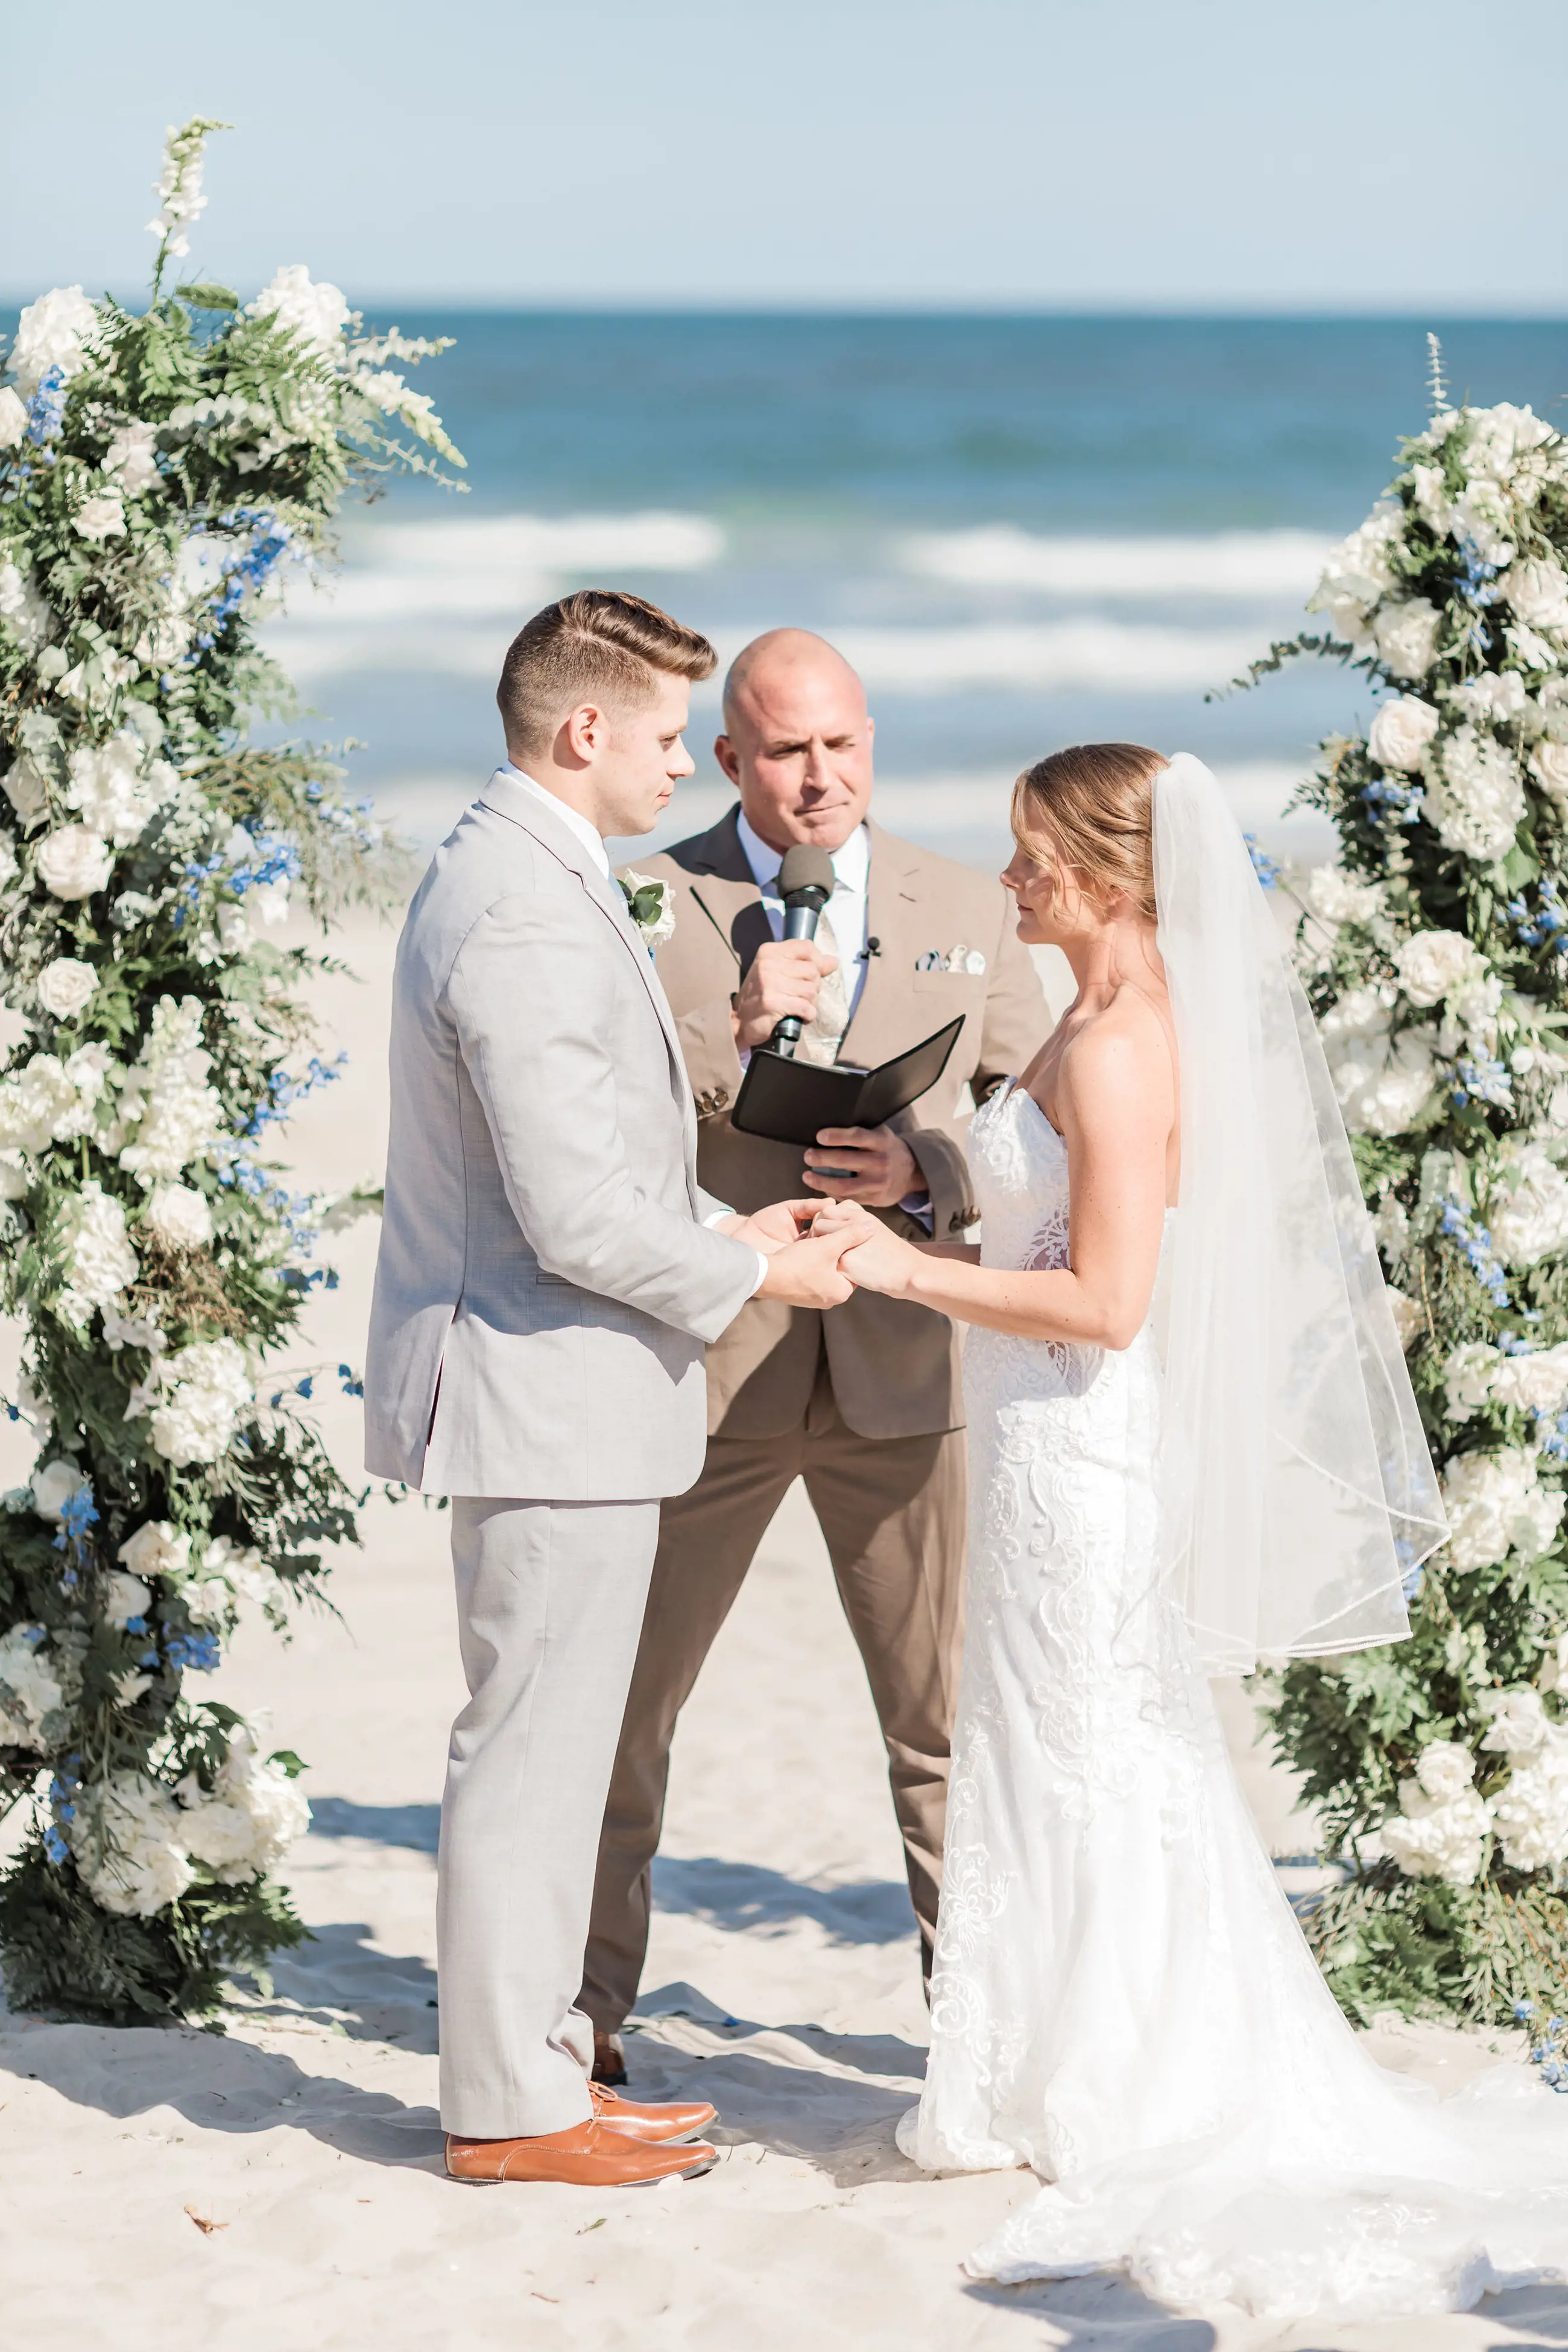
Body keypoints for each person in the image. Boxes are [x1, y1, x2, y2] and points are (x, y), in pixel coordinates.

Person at [815, 744, 1568, 2324]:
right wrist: (923, 1196)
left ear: (1116, 878)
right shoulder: (1087, 1020)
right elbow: (1039, 1225)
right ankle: (1065, 2058)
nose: (1008, 878)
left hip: (1079, 1447)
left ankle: (1122, 2077)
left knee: (1096, 1747)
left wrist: (900, 1276)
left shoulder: (1120, 1044)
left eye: (1034, 856)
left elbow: (1103, 1303)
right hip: (1034, 1441)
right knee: (1053, 1742)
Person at [363, 591, 856, 2189]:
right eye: (660, 740)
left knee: (559, 1750)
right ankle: (511, 2110)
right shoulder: (515, 901)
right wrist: (754, 1277)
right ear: (585, 732)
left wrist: (729, 1220)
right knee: (528, 1751)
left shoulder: (543, 873)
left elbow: (602, 1163)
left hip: (566, 1387)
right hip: (541, 1391)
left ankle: (546, 2072)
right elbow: (569, 1215)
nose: (675, 773)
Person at [582, 629, 1046, 2079]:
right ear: (728, 759)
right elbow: (587, 1134)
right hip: (704, 1372)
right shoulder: (640, 902)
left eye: (842, 743)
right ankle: (576, 2031)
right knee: (623, 1718)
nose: (819, 776)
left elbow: (1040, 1125)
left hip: (907, 1372)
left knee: (943, 1731)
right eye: (784, 751)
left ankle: (974, 2040)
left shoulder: (966, 902)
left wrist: (927, 1170)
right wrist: (732, 1038)